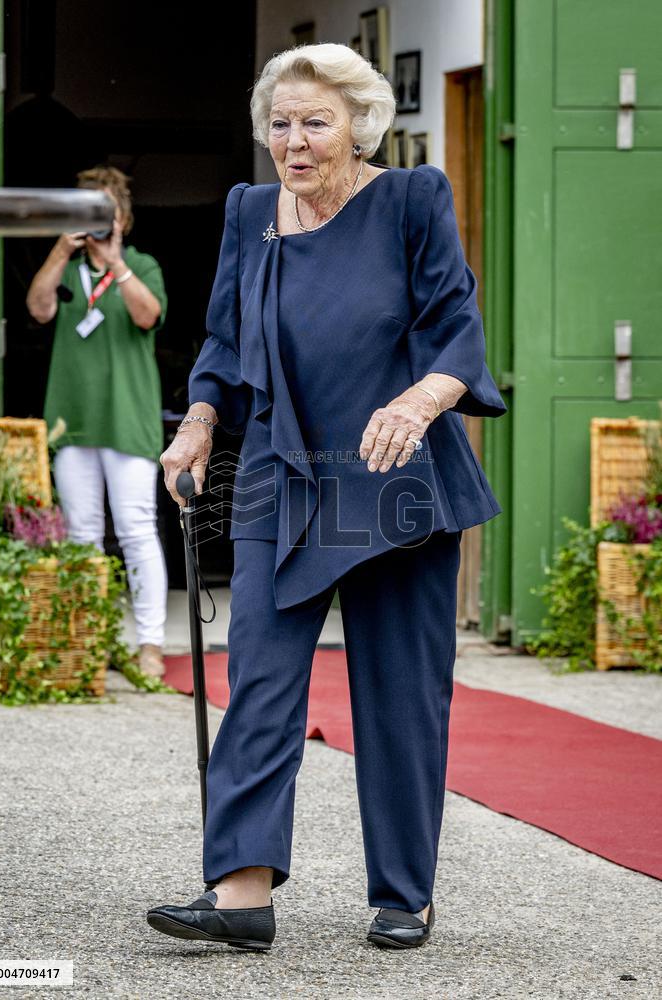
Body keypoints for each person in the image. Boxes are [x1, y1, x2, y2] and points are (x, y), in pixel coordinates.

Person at [148, 43, 506, 951]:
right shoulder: (249, 213)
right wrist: (197, 421)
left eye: (317, 122)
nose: (295, 142)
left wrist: (425, 398)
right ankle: (240, 894)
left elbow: (453, 322)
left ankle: (401, 894)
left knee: (399, 692)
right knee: (260, 677)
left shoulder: (412, 199)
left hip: (391, 474)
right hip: (282, 470)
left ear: (359, 125)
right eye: (281, 123)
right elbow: (225, 341)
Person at [26, 166, 169, 678]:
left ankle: (149, 643)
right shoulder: (65, 270)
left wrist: (117, 265)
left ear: (123, 218)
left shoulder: (142, 265)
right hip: (74, 421)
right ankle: (89, 637)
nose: (95, 221)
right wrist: (62, 249)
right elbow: (39, 309)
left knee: (135, 529)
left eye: (102, 211)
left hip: (126, 420)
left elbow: (148, 316)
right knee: (81, 534)